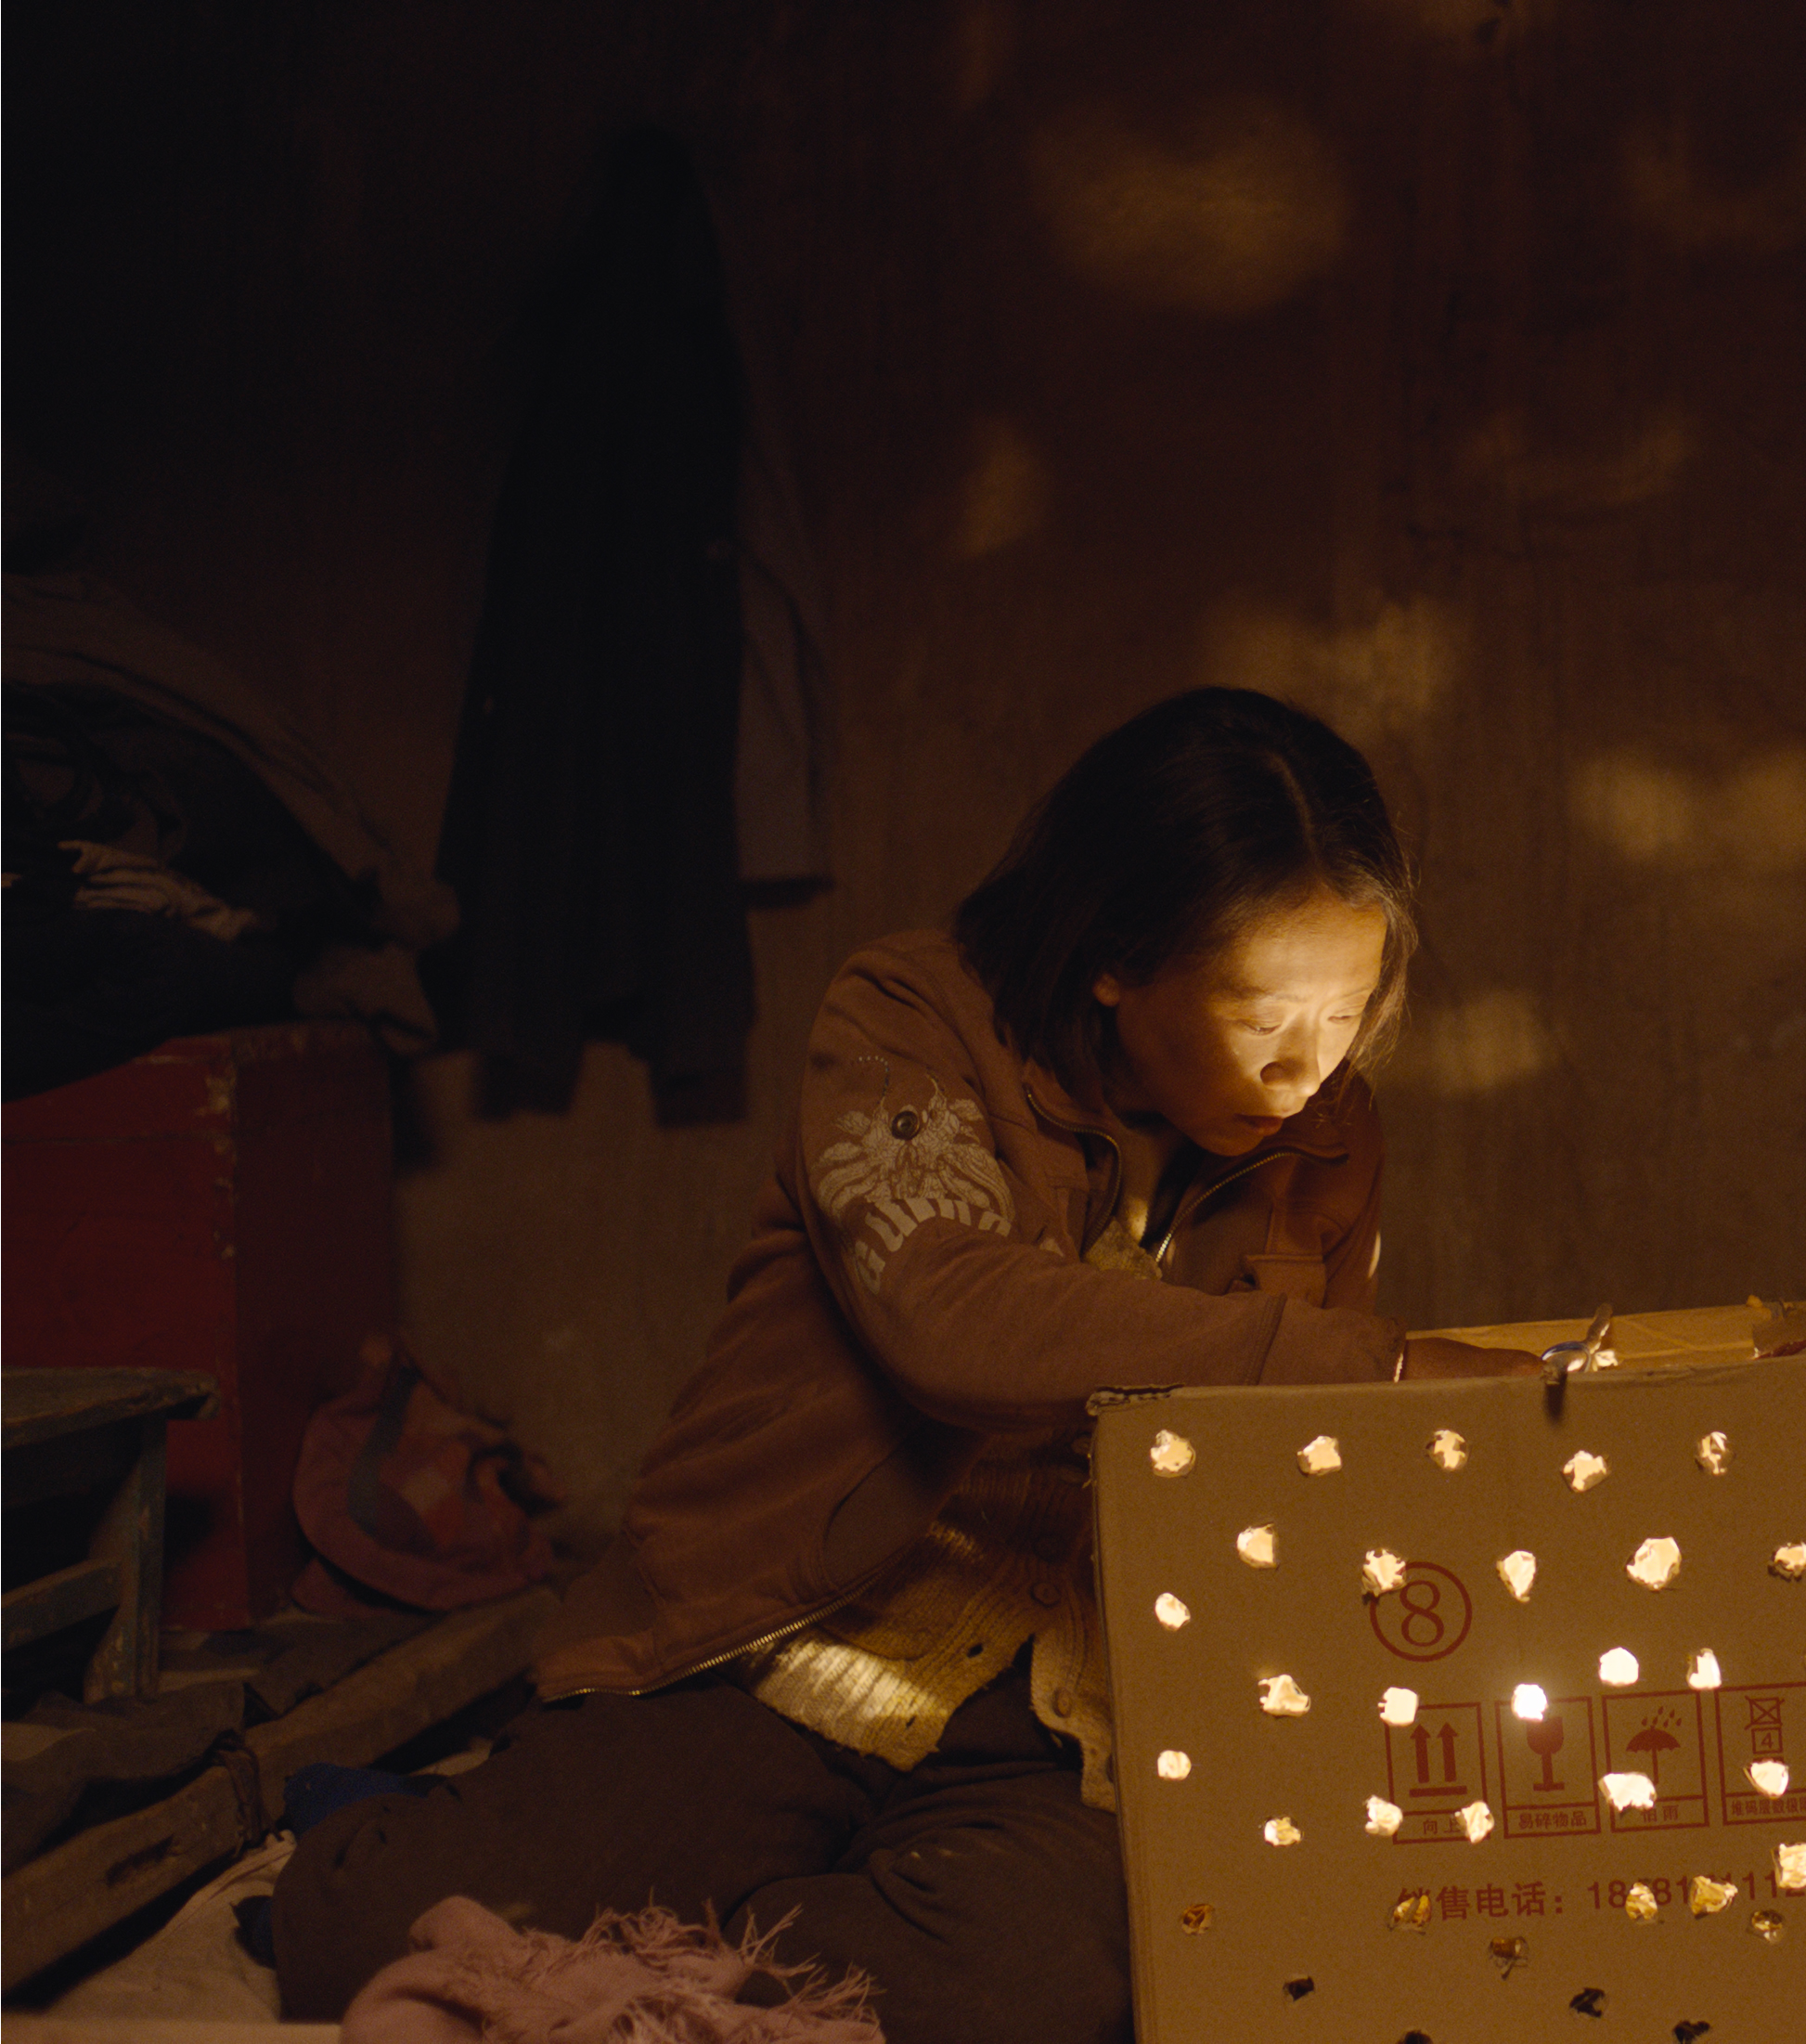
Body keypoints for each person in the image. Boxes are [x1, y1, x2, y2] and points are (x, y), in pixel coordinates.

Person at [274, 688, 1537, 2040]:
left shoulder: (1330, 1138)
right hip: (785, 1650)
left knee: (1069, 1975)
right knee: (362, 1925)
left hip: (1060, 1716)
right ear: (1116, 957)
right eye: (1263, 1011)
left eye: (1346, 1012)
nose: (1307, 1067)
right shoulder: (912, 1015)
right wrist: (1372, 1370)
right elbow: (953, 1314)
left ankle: (694, 1943)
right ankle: (698, 1911)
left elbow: (1288, 1464)